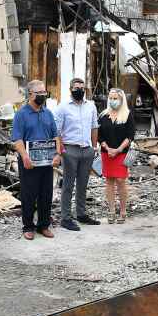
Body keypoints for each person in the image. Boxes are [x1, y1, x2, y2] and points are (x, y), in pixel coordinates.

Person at [12, 80, 62, 240]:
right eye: (39, 93)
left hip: (47, 161)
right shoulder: (21, 114)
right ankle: (28, 227)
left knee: (46, 194)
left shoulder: (48, 113)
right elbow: (17, 139)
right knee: (28, 194)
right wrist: (24, 156)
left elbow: (56, 136)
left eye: (44, 92)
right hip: (29, 161)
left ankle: (43, 225)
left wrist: (58, 154)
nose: (43, 95)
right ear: (30, 94)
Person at [54, 78, 100, 231]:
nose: (79, 90)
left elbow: (94, 127)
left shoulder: (91, 106)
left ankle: (81, 214)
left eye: (81, 87)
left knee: (83, 183)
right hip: (70, 150)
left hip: (87, 149)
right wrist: (61, 151)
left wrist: (94, 147)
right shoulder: (63, 107)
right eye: (76, 87)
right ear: (70, 89)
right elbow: (57, 131)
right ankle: (66, 218)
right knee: (68, 184)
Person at [98, 88, 136, 224]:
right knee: (109, 181)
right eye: (111, 98)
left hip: (122, 153)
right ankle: (111, 210)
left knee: (121, 180)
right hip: (106, 153)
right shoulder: (103, 115)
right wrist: (107, 148)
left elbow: (130, 136)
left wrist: (118, 150)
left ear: (121, 100)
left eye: (115, 98)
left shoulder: (127, 115)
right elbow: (99, 135)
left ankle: (123, 210)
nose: (112, 101)